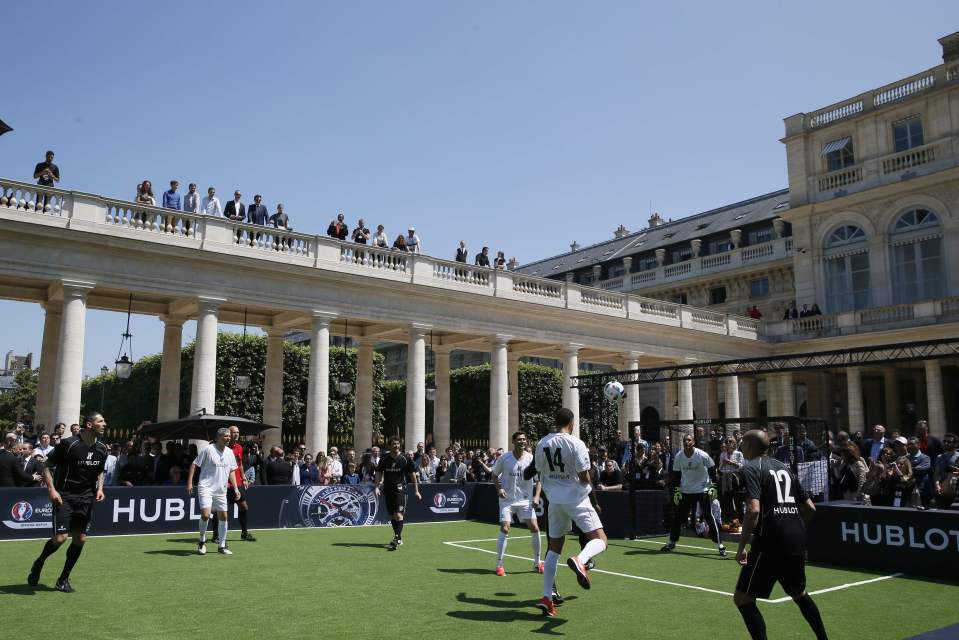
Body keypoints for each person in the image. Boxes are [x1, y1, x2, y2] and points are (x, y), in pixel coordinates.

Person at [733, 430, 828, 640]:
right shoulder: (784, 467)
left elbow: (754, 510)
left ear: (749, 446)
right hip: (796, 538)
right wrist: (794, 526)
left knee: (743, 598)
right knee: (799, 594)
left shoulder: (750, 469)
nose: (740, 446)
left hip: (770, 541)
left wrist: (741, 547)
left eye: (742, 443)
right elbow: (811, 508)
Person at [533, 408, 607, 618]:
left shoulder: (542, 443)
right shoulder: (576, 443)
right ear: (572, 422)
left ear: (555, 422)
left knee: (553, 550)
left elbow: (540, 471)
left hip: (554, 501)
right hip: (576, 498)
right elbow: (584, 477)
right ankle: (581, 560)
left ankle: (547, 597)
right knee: (601, 540)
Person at [27, 413, 109, 593]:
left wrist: (100, 488)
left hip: (87, 498)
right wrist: (52, 490)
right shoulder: (69, 444)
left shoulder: (102, 448)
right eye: (101, 421)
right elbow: (46, 465)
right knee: (60, 538)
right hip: (65, 496)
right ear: (89, 424)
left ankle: (63, 579)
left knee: (80, 539)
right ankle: (39, 562)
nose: (105, 424)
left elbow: (100, 471)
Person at [662, 433, 725, 557]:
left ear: (693, 442)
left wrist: (713, 487)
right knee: (678, 517)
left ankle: (720, 544)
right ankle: (671, 542)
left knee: (709, 516)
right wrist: (677, 491)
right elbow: (675, 476)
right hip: (686, 491)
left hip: (703, 490)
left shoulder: (702, 455)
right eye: (685, 440)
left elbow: (713, 472)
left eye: (689, 440)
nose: (686, 442)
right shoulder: (679, 456)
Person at [491, 431, 543, 576]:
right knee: (505, 528)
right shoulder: (504, 458)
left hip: (525, 500)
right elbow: (494, 474)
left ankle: (537, 563)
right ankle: (499, 565)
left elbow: (539, 479)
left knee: (534, 527)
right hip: (507, 500)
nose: (522, 442)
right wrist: (499, 488)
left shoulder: (532, 459)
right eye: (519, 439)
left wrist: (537, 496)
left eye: (524, 439)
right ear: (513, 441)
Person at [187, 428, 241, 555]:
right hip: (206, 487)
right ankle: (201, 541)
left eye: (229, 436)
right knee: (206, 515)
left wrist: (236, 488)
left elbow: (232, 471)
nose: (228, 438)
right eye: (225, 436)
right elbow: (194, 465)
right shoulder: (208, 449)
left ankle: (222, 545)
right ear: (218, 437)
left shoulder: (230, 452)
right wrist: (190, 483)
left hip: (221, 490)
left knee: (224, 516)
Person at [374, 436, 422, 550]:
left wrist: (416, 491)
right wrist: (377, 487)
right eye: (394, 444)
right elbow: (379, 472)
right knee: (392, 515)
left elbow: (413, 475)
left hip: (400, 490)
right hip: (388, 490)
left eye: (398, 444)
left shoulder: (405, 458)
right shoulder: (384, 459)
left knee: (398, 514)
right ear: (389, 446)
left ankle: (397, 537)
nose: (396, 446)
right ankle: (398, 537)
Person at [226, 426, 257, 542]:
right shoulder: (223, 447)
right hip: (225, 484)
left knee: (244, 507)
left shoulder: (239, 447)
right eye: (234, 432)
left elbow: (240, 464)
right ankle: (217, 535)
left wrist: (243, 477)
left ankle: (244, 533)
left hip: (238, 483)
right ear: (229, 434)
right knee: (223, 510)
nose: (236, 434)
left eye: (238, 432)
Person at [932, 433, 958, 509]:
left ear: (956, 444)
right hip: (943, 490)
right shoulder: (939, 457)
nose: (946, 443)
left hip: (956, 491)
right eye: (944, 441)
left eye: (949, 442)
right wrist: (937, 485)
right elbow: (937, 474)